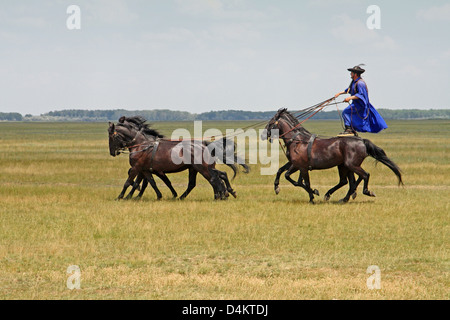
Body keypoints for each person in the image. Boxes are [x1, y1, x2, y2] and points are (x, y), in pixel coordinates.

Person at [334, 65, 388, 136]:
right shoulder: (354, 82)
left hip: (360, 105)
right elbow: (348, 90)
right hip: (355, 104)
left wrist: (349, 98)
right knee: (348, 113)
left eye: (352, 73)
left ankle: (349, 129)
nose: (350, 74)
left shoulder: (360, 83)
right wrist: (339, 93)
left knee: (345, 112)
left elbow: (361, 95)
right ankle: (351, 129)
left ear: (355, 74)